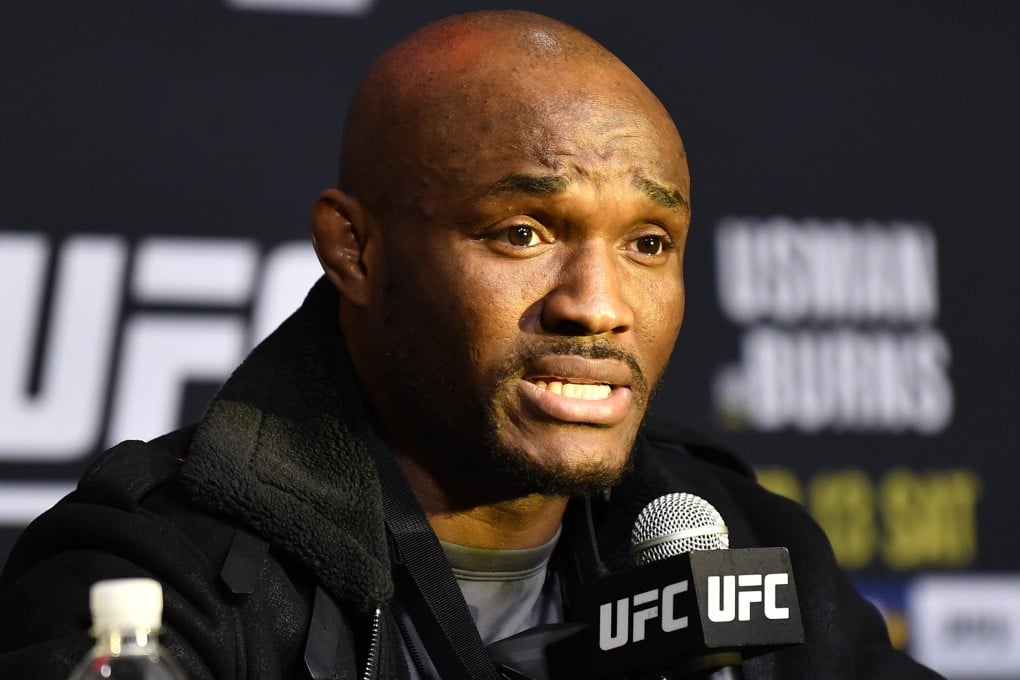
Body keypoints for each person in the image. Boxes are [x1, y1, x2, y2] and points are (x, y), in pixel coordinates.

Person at [0, 10, 942, 680]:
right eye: (523, 233)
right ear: (354, 249)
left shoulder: (747, 543)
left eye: (647, 244)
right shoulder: (157, 580)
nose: (598, 306)